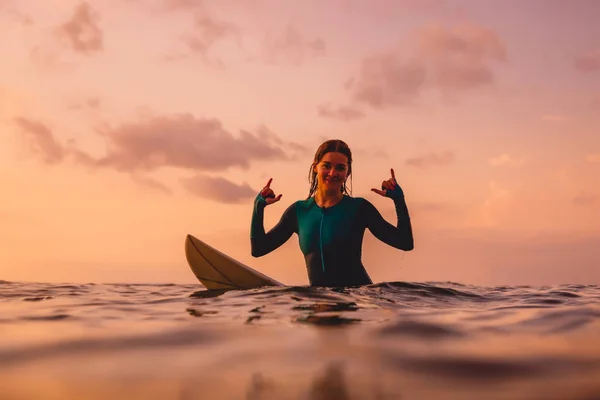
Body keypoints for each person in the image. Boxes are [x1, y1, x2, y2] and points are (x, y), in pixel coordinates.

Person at [250, 139, 414, 287]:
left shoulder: (359, 209)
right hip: (320, 305)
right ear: (315, 167)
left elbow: (405, 242)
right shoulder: (298, 212)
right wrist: (258, 207)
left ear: (347, 172)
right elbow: (258, 249)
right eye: (326, 166)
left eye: (340, 168)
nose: (333, 173)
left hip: (355, 303)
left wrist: (399, 200)